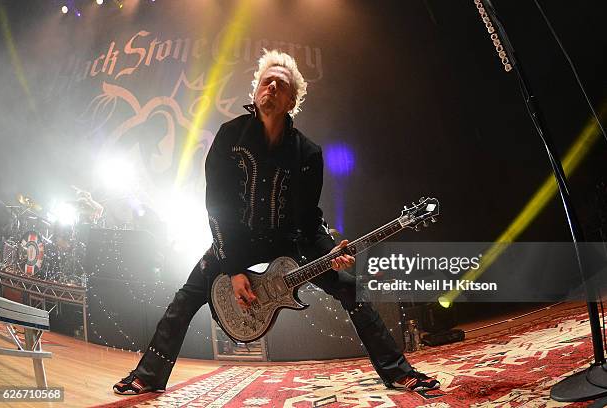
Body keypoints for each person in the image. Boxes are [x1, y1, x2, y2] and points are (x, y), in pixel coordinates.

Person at [113, 49, 440, 395]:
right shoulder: (229, 137)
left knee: (350, 288)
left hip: (290, 242)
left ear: (291, 100)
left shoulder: (309, 154)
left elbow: (310, 219)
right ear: (255, 91)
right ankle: (147, 377)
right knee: (185, 298)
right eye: (265, 81)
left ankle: (398, 372)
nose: (270, 86)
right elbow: (216, 207)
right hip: (234, 241)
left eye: (279, 84)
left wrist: (331, 252)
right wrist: (234, 268)